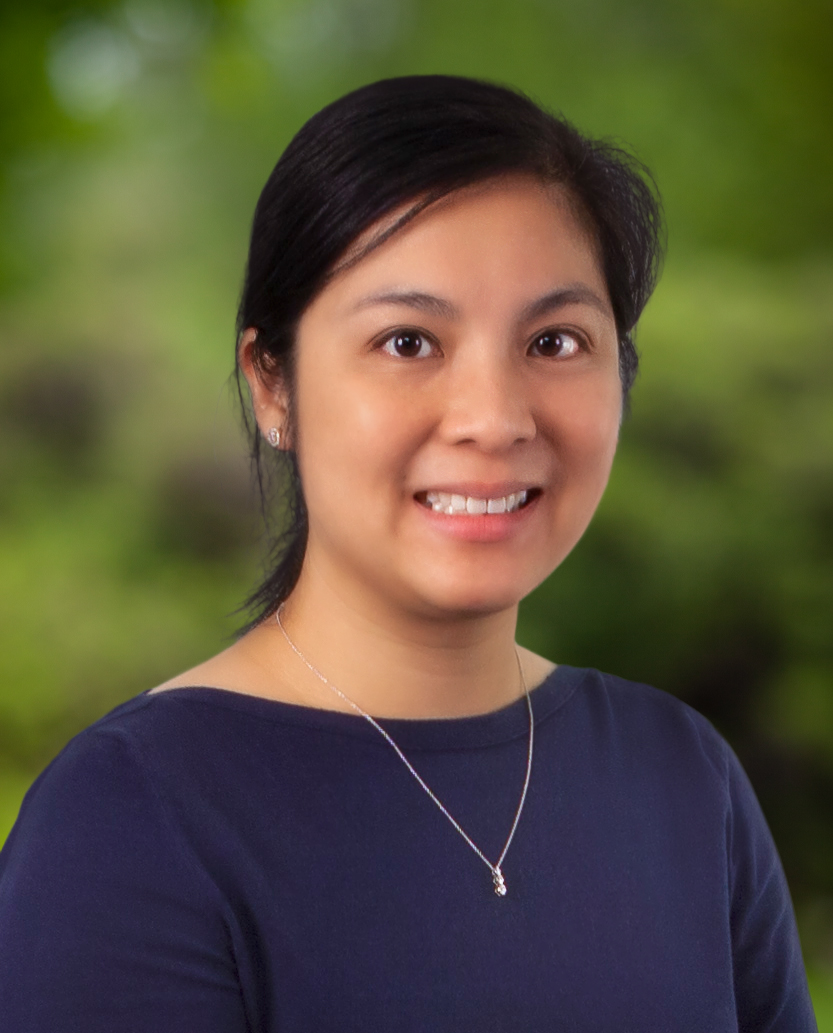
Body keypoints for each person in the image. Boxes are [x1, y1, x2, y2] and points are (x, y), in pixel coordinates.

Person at [0, 75, 817, 1031]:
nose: (493, 419)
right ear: (272, 385)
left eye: (554, 340)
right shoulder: (130, 816)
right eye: (407, 341)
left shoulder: (683, 778)